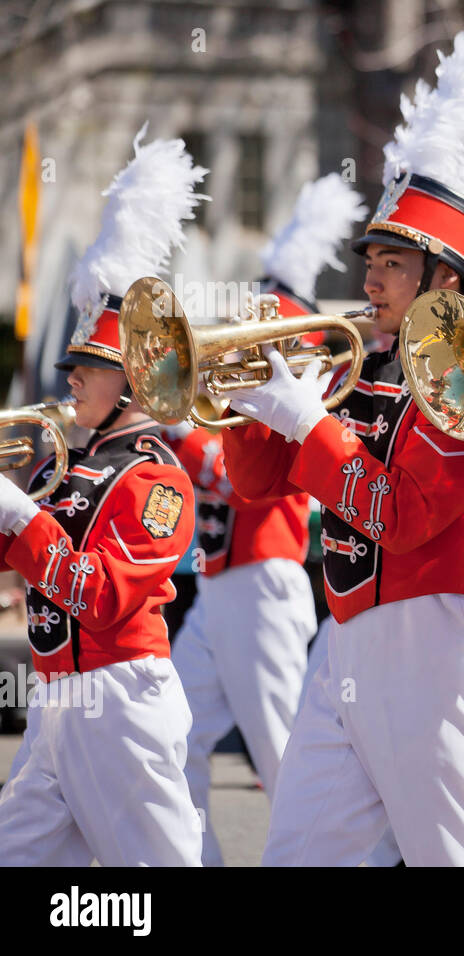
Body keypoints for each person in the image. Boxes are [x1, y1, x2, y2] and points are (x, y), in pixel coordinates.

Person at [220, 22, 464, 866]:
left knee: (459, 858)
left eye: (392, 263)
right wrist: (256, 405)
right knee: (298, 854)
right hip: (344, 634)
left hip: (430, 639)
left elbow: (406, 515)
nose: (370, 279)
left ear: (444, 280)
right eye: (373, 260)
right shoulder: (360, 361)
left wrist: (311, 425)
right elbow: (256, 488)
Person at [0, 128, 206, 866]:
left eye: (88, 365)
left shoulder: (156, 479)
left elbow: (103, 594)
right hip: (56, 697)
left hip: (120, 699)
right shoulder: (70, 460)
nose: (71, 378)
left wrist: (20, 511)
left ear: (133, 382)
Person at [167, 173, 365, 865]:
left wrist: (177, 433)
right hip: (219, 586)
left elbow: (235, 481)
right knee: (170, 737)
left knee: (288, 758)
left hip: (264, 583)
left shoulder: (304, 387)